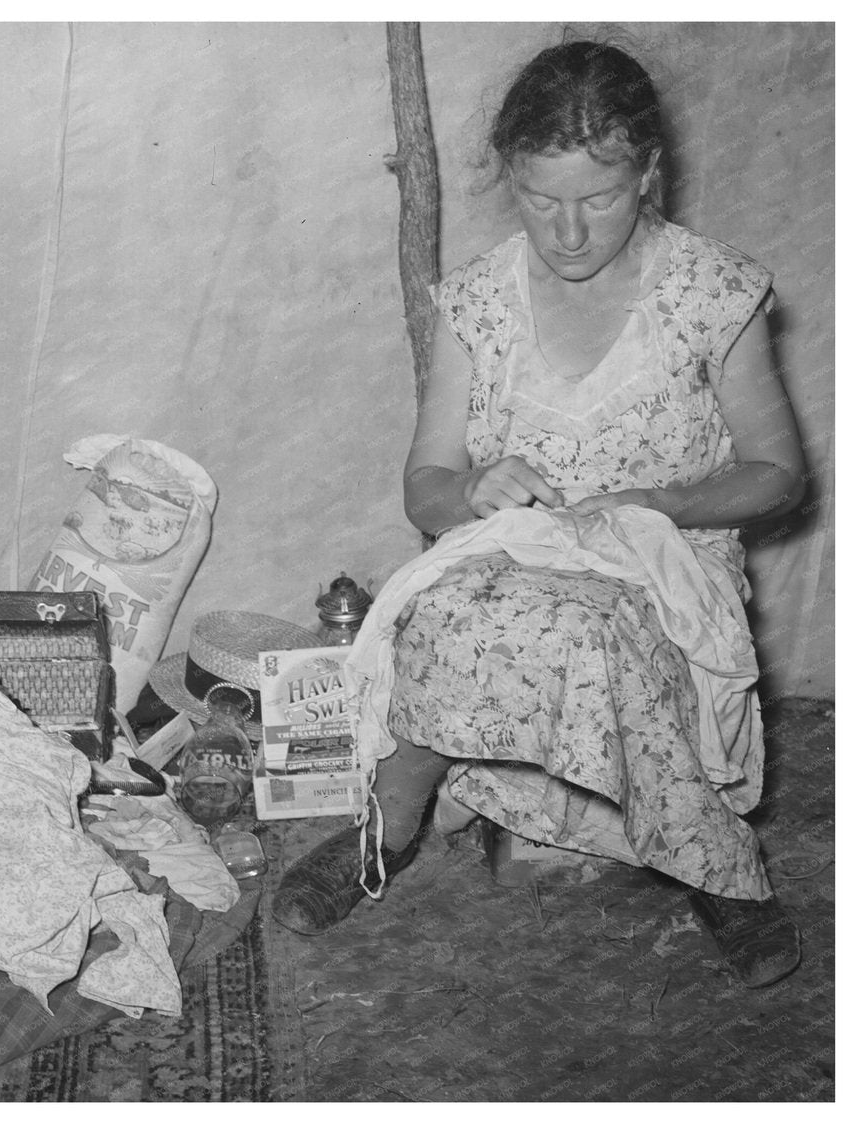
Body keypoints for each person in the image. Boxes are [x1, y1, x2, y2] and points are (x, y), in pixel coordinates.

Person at [272, 39, 806, 989]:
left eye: (598, 199)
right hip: (510, 553)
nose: (567, 233)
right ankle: (388, 828)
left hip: (663, 556)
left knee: (596, 629)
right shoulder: (476, 302)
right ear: (508, 179)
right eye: (538, 198)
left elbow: (778, 476)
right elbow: (425, 484)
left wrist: (662, 500)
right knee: (436, 610)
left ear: (649, 172)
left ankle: (717, 866)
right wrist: (468, 492)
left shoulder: (714, 293)